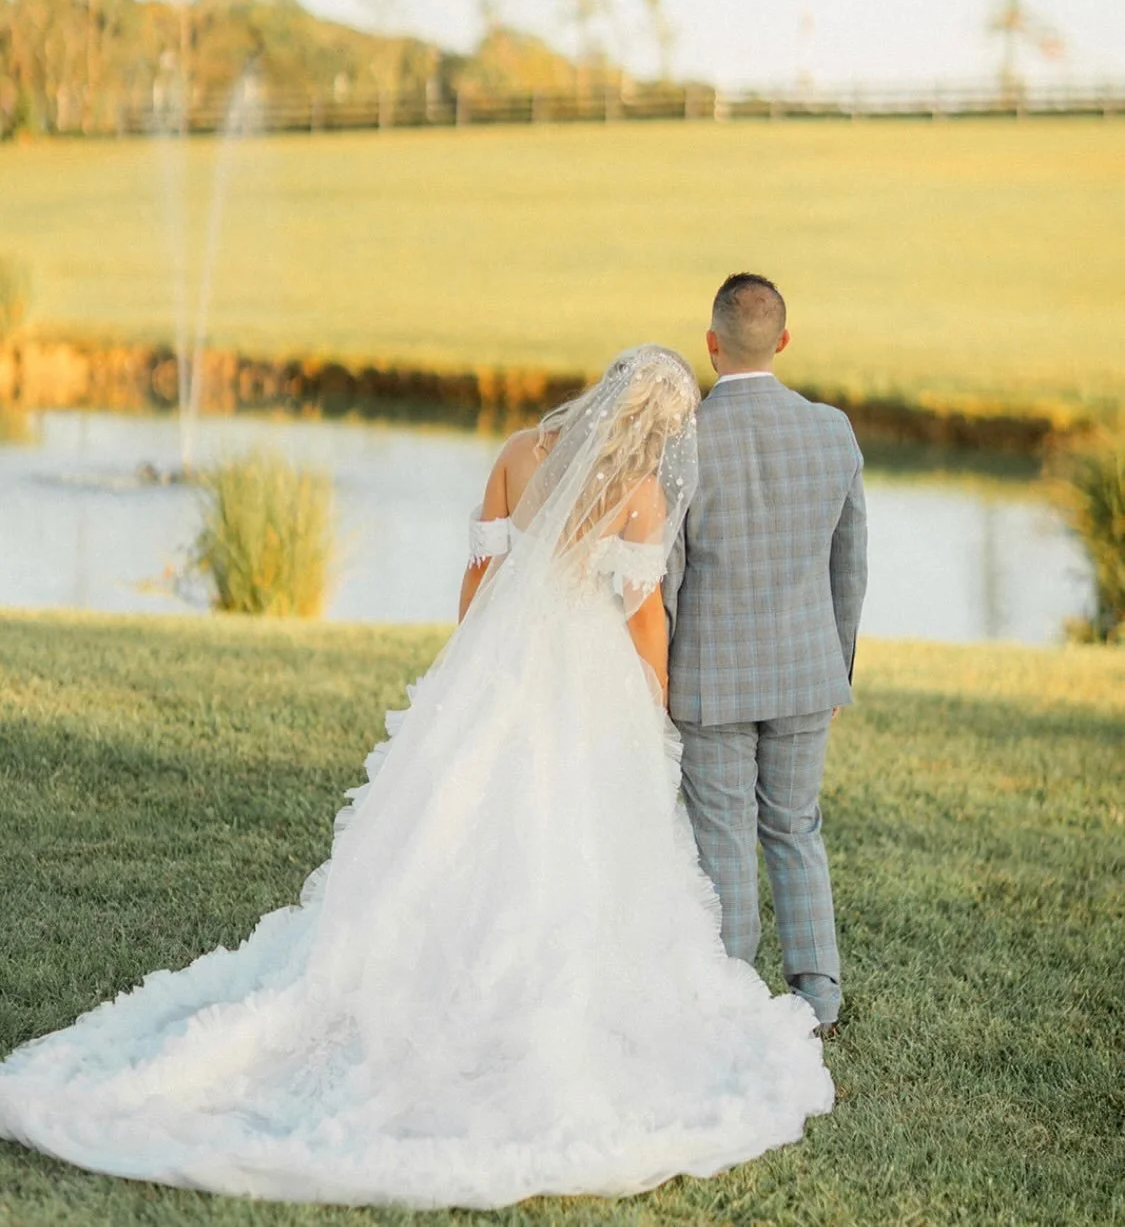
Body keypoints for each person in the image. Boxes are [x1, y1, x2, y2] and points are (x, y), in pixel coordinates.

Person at [0, 344, 833, 1209]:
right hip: (583, 670)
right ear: (665, 428)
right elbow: (645, 617)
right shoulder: (643, 494)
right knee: (566, 827)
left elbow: (479, 573)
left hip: (500, 659)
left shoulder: (519, 451)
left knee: (458, 810)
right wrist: (653, 702)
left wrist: (469, 662)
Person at [665, 275, 868, 1033]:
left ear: (711, 343)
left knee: (721, 836)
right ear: (782, 341)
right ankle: (817, 993)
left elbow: (669, 577)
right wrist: (835, 664)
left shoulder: (683, 440)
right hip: (806, 670)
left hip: (708, 680)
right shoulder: (832, 431)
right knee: (794, 826)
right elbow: (849, 565)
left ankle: (728, 990)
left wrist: (659, 673)